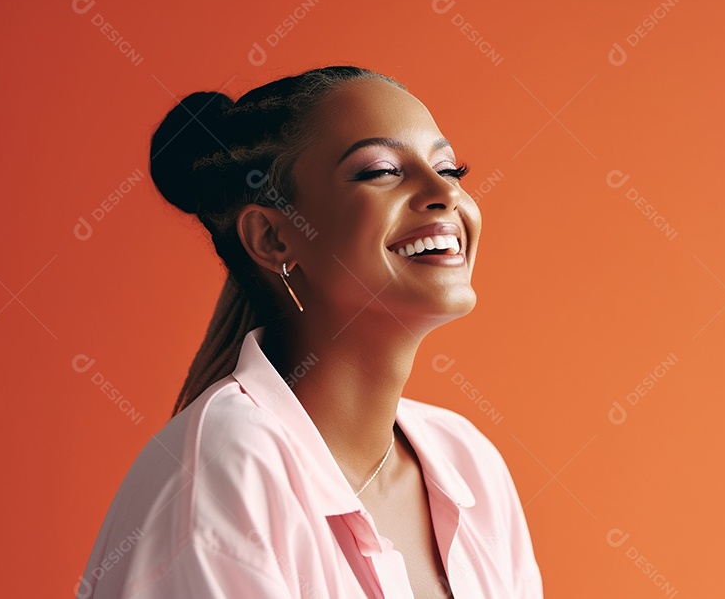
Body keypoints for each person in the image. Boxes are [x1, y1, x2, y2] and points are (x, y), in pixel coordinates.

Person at [78, 65, 543, 598]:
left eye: (450, 168)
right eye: (382, 171)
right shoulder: (228, 472)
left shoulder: (466, 461)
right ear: (273, 238)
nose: (444, 193)